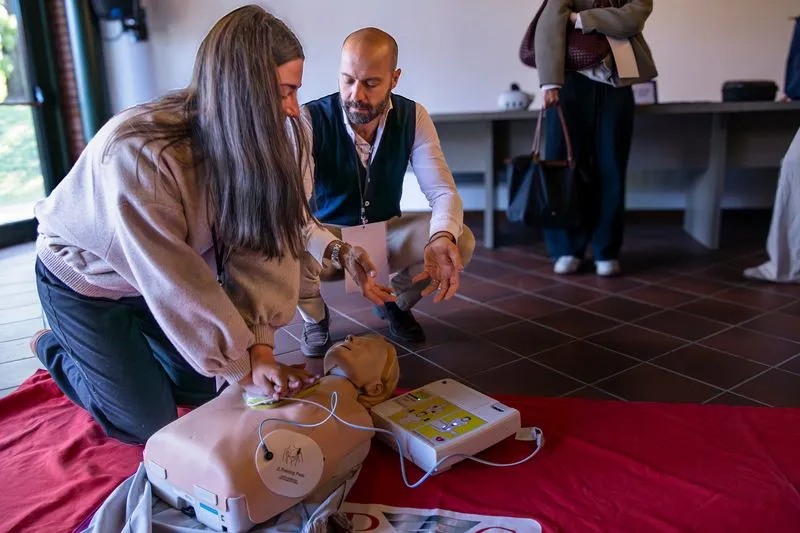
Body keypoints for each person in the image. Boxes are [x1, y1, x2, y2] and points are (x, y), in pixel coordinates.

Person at [28, 5, 391, 445]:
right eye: (282, 93)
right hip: (87, 283)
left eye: (296, 91)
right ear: (243, 91)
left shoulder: (263, 143)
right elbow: (175, 280)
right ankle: (55, 348)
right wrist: (241, 364)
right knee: (148, 423)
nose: (294, 110)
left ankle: (129, 360)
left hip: (152, 284)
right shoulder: (141, 155)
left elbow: (263, 245)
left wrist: (257, 346)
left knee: (208, 384)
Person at [297, 27, 475, 355]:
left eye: (370, 83)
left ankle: (395, 302)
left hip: (385, 233)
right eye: (348, 80)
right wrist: (338, 249)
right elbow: (293, 210)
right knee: (285, 243)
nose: (355, 95)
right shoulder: (310, 118)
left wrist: (440, 238)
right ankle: (315, 319)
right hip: (330, 240)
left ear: (394, 79)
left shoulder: (413, 116)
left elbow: (442, 192)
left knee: (457, 239)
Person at [534, 0, 657, 276]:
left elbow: (632, 20)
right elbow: (550, 21)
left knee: (612, 164)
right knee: (564, 166)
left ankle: (606, 249)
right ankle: (567, 248)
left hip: (618, 80)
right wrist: (550, 82)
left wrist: (580, 18)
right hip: (568, 81)